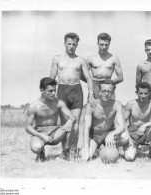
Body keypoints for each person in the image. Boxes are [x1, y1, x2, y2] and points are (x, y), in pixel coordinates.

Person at [50, 32, 95, 160]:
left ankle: (73, 149)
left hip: (76, 90)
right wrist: (50, 95)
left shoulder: (80, 61)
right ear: (64, 43)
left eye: (74, 44)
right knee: (65, 124)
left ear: (77, 45)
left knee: (74, 124)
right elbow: (52, 78)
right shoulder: (57, 58)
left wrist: (91, 94)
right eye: (69, 44)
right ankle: (65, 150)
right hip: (62, 89)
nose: (71, 46)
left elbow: (89, 78)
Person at [25, 77, 76, 162]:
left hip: (55, 132)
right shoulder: (33, 106)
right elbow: (27, 128)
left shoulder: (58, 103)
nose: (53, 93)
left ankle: (66, 151)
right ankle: (41, 152)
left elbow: (73, 117)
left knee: (70, 127)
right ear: (42, 90)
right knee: (36, 147)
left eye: (54, 90)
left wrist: (69, 122)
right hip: (40, 133)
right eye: (50, 91)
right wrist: (41, 136)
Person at [78, 80, 128, 162]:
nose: (106, 94)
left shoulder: (117, 104)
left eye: (109, 91)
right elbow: (86, 128)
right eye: (104, 91)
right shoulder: (91, 105)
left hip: (108, 133)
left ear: (112, 93)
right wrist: (86, 150)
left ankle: (108, 147)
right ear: (99, 92)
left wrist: (112, 134)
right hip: (94, 136)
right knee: (86, 155)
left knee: (125, 137)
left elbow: (122, 126)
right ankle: (96, 149)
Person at [124, 82, 151, 161]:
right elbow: (123, 121)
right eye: (141, 93)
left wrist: (145, 125)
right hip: (133, 135)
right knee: (129, 157)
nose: (143, 96)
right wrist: (129, 138)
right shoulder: (130, 104)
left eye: (145, 93)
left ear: (149, 93)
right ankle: (134, 148)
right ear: (136, 93)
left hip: (146, 133)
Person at [84, 32, 124, 98]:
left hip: (108, 86)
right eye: (101, 44)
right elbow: (83, 74)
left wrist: (109, 83)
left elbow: (120, 78)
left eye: (106, 45)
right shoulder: (91, 58)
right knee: (93, 106)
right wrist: (91, 83)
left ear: (109, 44)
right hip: (95, 86)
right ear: (97, 44)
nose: (104, 47)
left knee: (110, 107)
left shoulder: (114, 59)